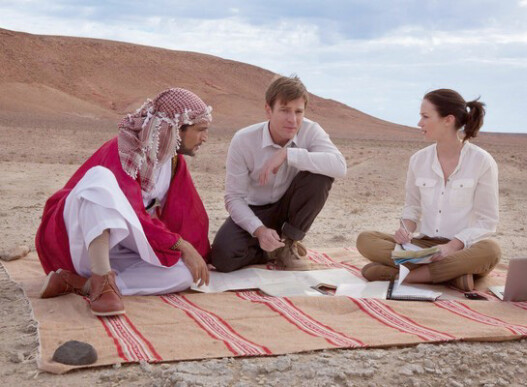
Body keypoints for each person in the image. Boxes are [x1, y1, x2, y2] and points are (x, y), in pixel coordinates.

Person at [35, 88, 212, 316]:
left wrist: (201, 255)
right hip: (78, 238)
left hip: (118, 248)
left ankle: (87, 285)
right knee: (100, 179)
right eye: (201, 130)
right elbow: (131, 209)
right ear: (176, 127)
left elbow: (188, 215)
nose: (204, 138)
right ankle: (100, 277)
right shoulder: (124, 150)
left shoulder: (173, 162)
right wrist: (180, 245)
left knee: (186, 274)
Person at [356, 88, 501, 291]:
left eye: (425, 116)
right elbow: (412, 207)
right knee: (365, 239)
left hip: (462, 250)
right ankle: (452, 278)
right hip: (424, 248)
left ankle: (407, 276)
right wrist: (405, 230)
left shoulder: (481, 161)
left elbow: (487, 220)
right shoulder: (418, 160)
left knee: (491, 250)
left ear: (447, 120)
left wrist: (452, 247)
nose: (419, 123)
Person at [211, 75, 347, 272]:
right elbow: (234, 198)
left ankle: (289, 243)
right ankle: (271, 249)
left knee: (321, 175)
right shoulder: (243, 140)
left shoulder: (311, 130)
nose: (293, 120)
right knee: (223, 258)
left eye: (298, 111)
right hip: (254, 209)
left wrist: (288, 154)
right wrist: (259, 230)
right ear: (268, 110)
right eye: (284, 110)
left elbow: (339, 166)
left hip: (288, 208)